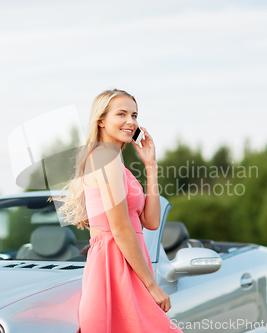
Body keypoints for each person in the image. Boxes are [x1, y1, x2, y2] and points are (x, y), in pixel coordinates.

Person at [54, 89, 183, 333]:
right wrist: (152, 286)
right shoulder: (104, 157)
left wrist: (151, 166)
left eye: (134, 115)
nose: (131, 121)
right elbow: (121, 228)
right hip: (114, 265)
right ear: (101, 120)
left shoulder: (115, 162)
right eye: (121, 114)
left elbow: (151, 221)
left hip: (130, 263)